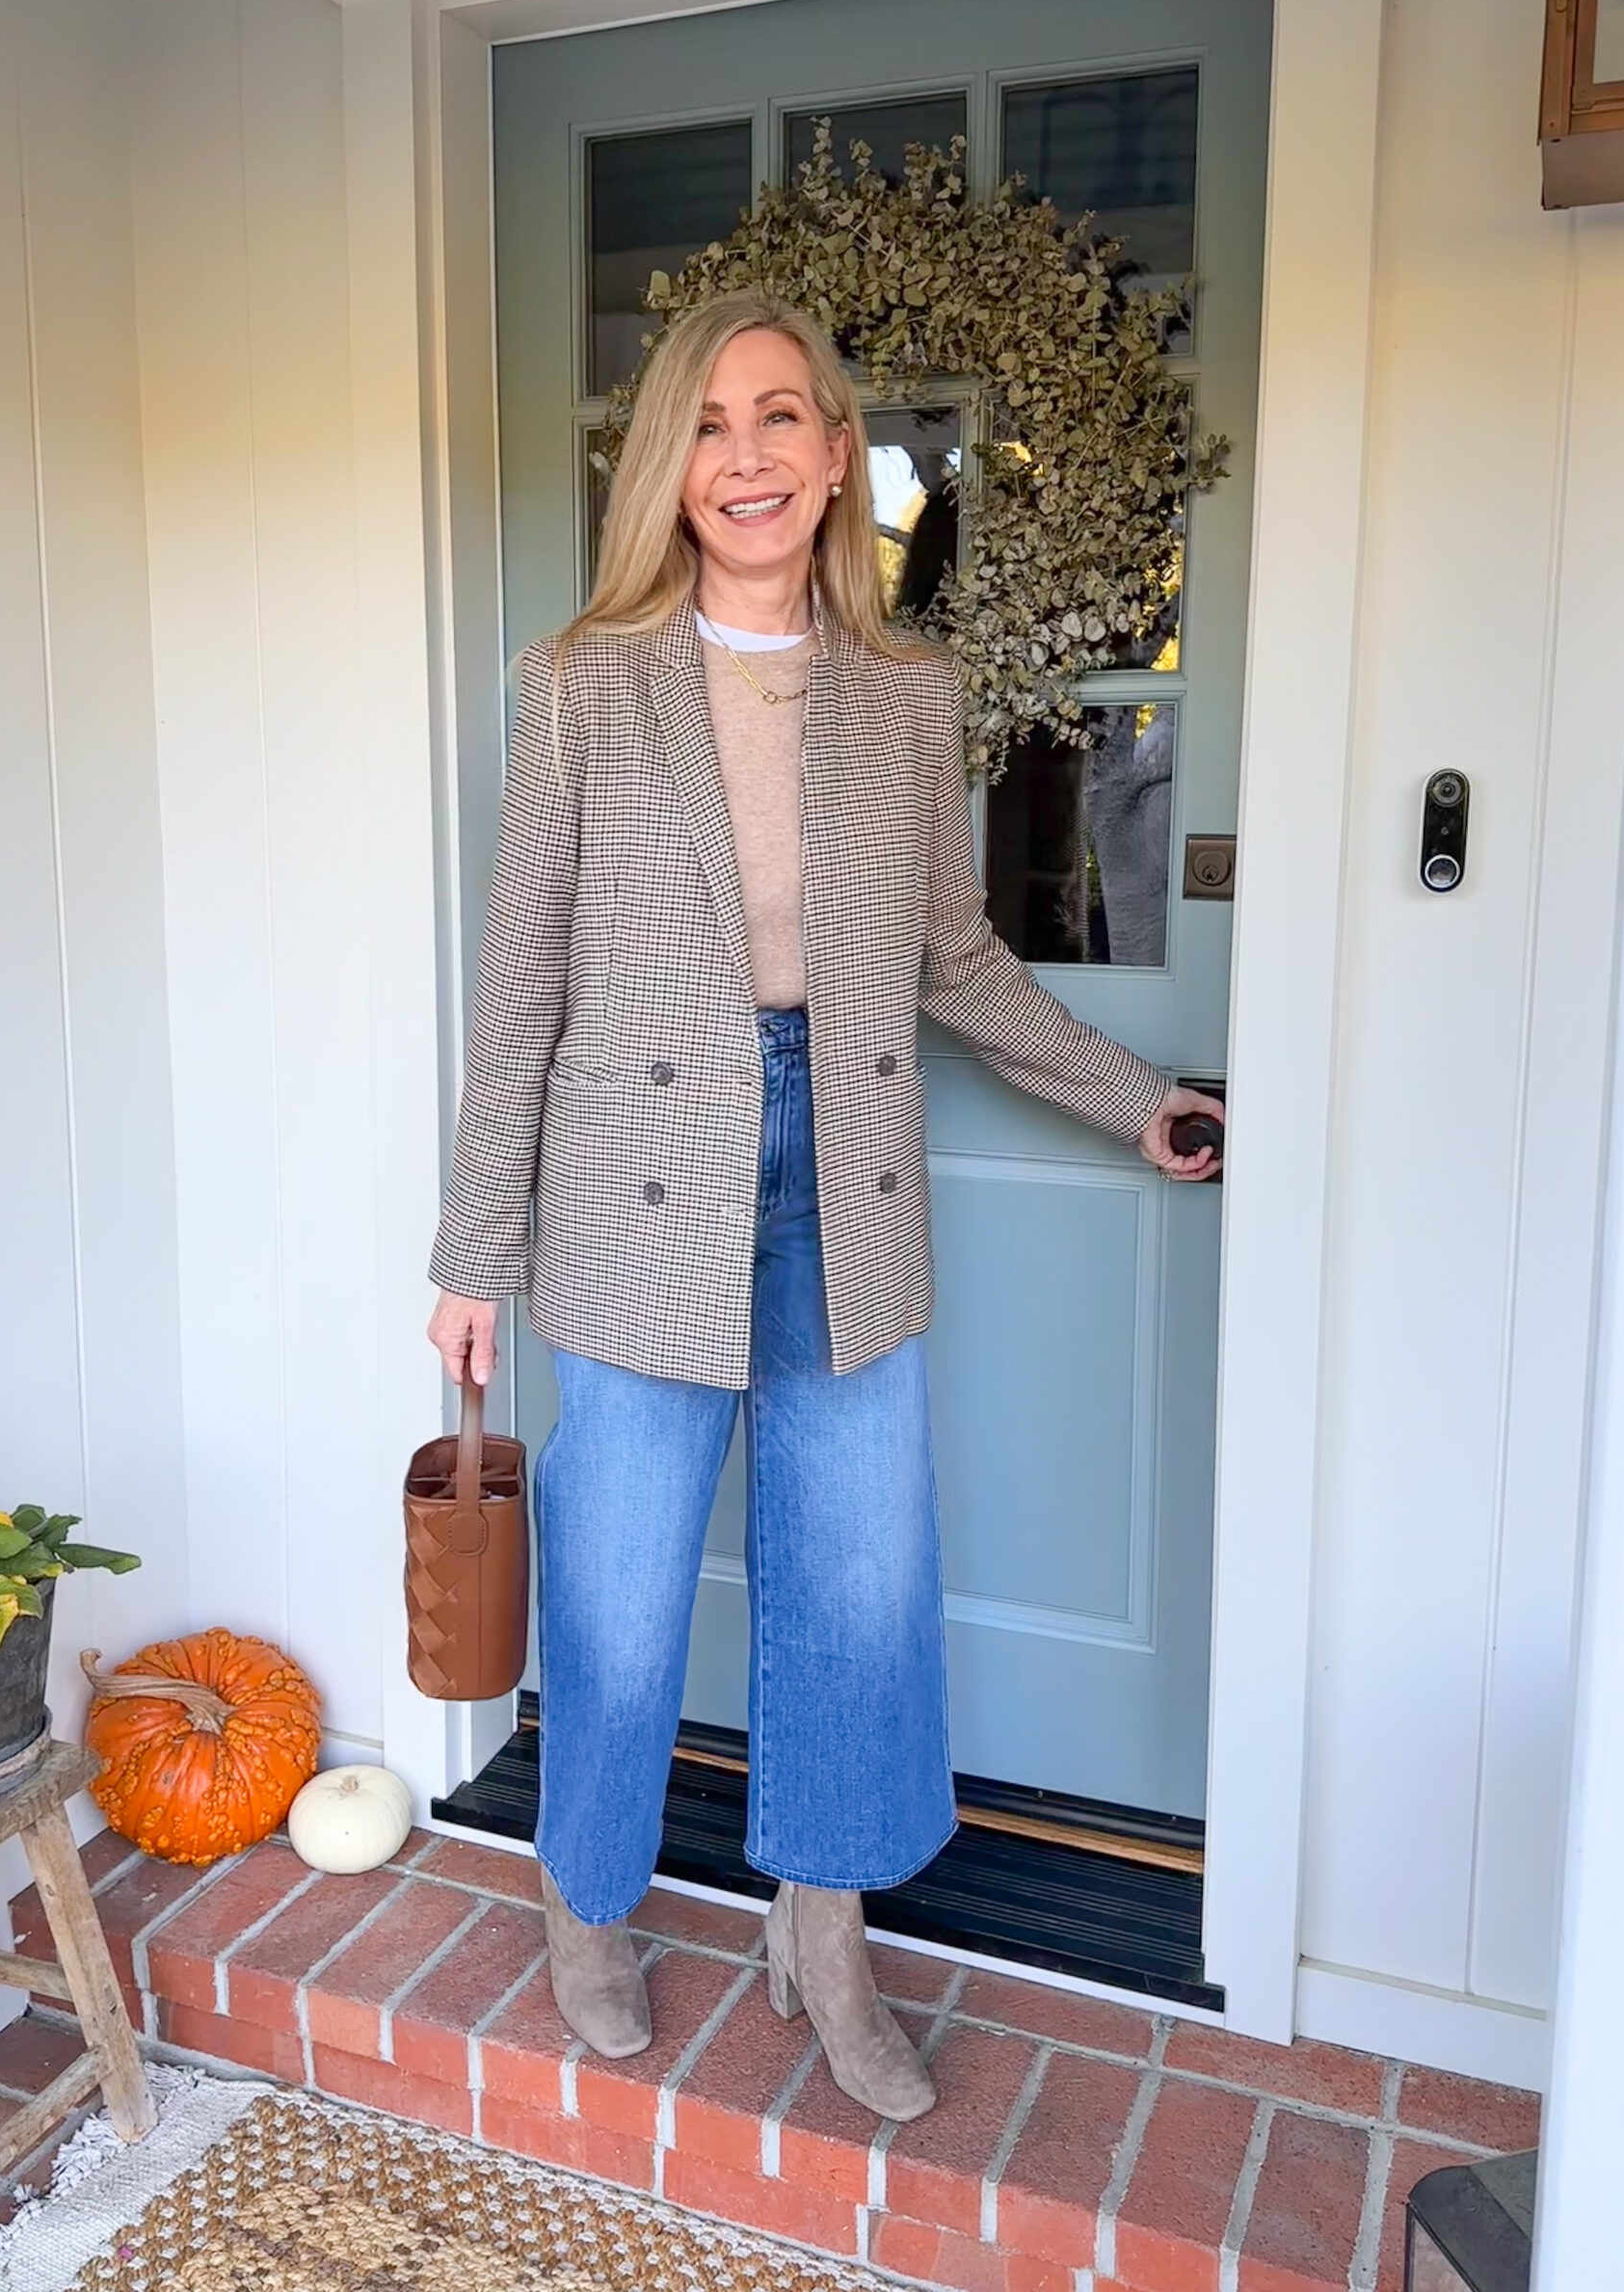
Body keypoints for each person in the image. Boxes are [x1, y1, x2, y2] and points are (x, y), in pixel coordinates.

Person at [427, 288, 1223, 2122]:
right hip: (634, 1181)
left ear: (833, 452)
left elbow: (959, 960)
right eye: (711, 426)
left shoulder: (902, 700)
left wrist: (1141, 1101)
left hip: (837, 1175)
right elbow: (522, 982)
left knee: (856, 1580)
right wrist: (474, 1252)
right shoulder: (582, 685)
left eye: (783, 418)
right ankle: (588, 1901)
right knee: (619, 1585)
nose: (751, 456)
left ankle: (826, 1927)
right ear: (669, 469)